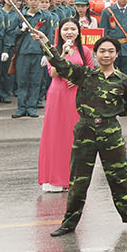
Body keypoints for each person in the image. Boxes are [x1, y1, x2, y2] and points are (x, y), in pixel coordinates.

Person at [29, 34, 127, 236]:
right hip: (85, 131)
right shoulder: (84, 74)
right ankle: (69, 223)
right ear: (95, 53)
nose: (106, 55)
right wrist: (44, 42)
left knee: (119, 176)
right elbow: (60, 64)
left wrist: (112, 113)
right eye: (102, 51)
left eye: (111, 51)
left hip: (110, 133)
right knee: (78, 179)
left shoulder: (124, 81)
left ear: (117, 54)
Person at [38, 19, 91, 192]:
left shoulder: (85, 51)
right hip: (58, 95)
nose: (69, 32)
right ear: (60, 32)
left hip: (77, 96)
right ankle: (54, 177)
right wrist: (61, 54)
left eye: (73, 29)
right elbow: (53, 73)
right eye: (65, 29)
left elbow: (91, 74)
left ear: (78, 31)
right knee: (56, 135)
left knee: (74, 136)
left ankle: (73, 177)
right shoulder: (52, 50)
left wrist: (76, 79)